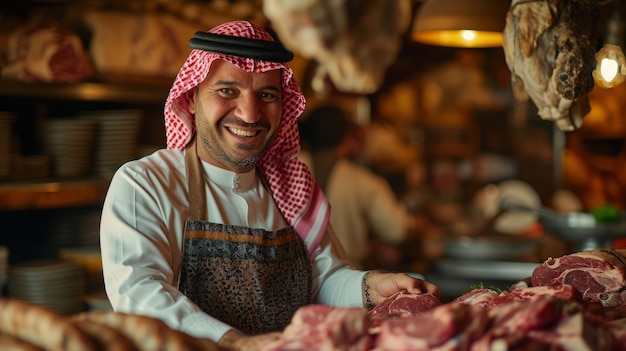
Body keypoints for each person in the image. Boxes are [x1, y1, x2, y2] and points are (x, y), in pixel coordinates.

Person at [99, 20, 439, 351]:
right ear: (190, 98)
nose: (249, 114)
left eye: (266, 94)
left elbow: (321, 280)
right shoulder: (144, 184)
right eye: (227, 90)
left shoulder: (291, 186)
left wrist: (369, 287)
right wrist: (235, 343)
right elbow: (140, 295)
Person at [299, 104, 419, 269]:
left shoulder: (279, 170)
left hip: (294, 278)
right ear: (345, 138)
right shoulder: (365, 182)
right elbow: (397, 231)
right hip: (347, 279)